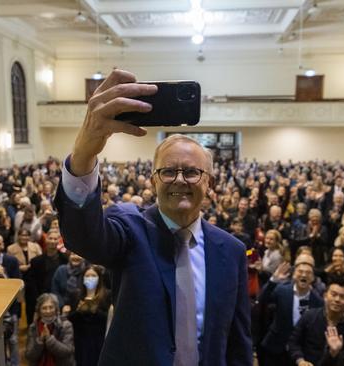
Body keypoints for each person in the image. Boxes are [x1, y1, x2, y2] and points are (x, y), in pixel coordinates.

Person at [54, 69, 252, 365]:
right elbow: (84, 238)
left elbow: (237, 342)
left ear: (209, 183)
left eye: (193, 172)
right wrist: (84, 151)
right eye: (169, 171)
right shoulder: (131, 229)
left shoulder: (232, 251)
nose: (180, 180)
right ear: (153, 182)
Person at [256, 257, 324, 366]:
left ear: (312, 278)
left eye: (308, 273)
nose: (304, 275)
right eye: (300, 271)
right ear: (293, 275)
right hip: (275, 347)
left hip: (301, 353)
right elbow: (262, 300)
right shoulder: (282, 290)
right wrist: (273, 280)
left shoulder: (318, 301)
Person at [288, 278, 344, 366]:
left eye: (343, 297)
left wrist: (333, 352)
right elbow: (293, 342)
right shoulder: (310, 316)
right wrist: (300, 361)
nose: (337, 299)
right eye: (334, 294)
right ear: (325, 295)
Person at [68, 265, 111, 366]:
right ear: (83, 278)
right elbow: (70, 319)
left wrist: (94, 310)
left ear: (99, 278)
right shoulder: (76, 295)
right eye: (87, 276)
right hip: (80, 339)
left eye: (93, 276)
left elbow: (108, 319)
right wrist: (79, 311)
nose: (90, 278)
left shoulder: (106, 295)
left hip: (98, 339)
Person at [25, 293, 76, 366]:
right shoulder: (33, 327)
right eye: (44, 308)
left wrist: (49, 339)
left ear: (56, 309)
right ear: (39, 311)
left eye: (51, 307)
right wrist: (40, 340)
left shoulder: (66, 325)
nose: (48, 311)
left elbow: (67, 351)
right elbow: (29, 355)